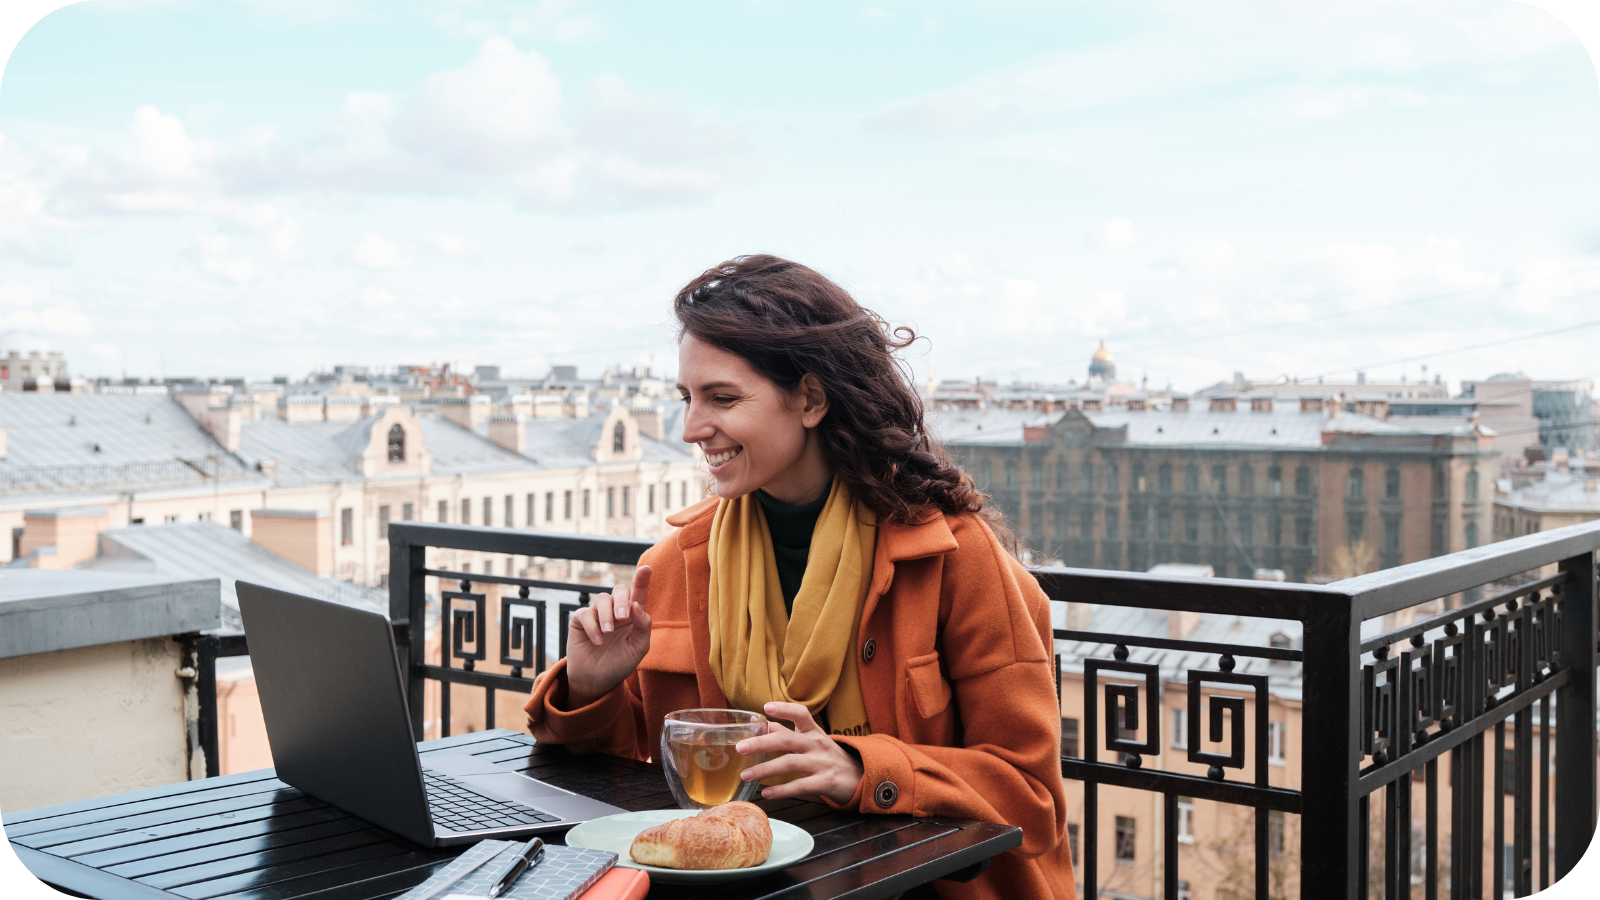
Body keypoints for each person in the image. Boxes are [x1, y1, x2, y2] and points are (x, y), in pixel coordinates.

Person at [525, 255, 1073, 899]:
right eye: (686, 398)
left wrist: (862, 771)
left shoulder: (952, 557)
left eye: (722, 398)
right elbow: (626, 787)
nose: (692, 428)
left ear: (810, 400)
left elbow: (1032, 800)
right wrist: (591, 688)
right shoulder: (676, 565)